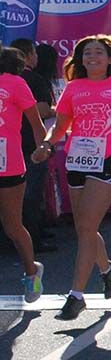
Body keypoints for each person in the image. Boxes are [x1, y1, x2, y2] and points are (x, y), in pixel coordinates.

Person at [33, 35, 111, 320]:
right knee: (84, 227)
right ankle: (108, 268)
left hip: (107, 161)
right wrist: (47, 145)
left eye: (99, 52)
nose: (92, 57)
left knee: (86, 227)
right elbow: (61, 127)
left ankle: (76, 295)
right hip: (77, 160)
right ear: (79, 60)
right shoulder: (74, 88)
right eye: (86, 53)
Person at [0, 48, 47, 301]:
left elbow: (35, 121)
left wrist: (43, 148)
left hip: (8, 164)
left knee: (12, 225)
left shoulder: (15, 83)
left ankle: (32, 272)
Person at [9, 39, 57, 255]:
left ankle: (26, 236)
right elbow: (41, 112)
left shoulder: (14, 82)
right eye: (34, 54)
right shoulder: (32, 80)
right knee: (30, 196)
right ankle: (32, 241)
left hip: (14, 146)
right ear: (28, 55)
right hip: (29, 147)